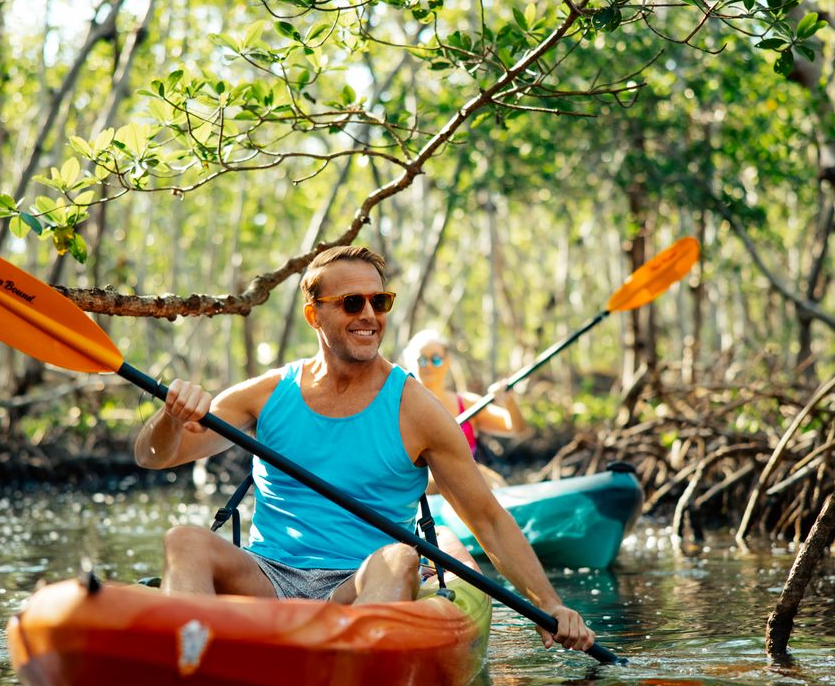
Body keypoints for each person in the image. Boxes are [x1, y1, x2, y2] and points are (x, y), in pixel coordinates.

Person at [134, 245, 593, 652]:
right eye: (352, 303)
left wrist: (551, 604)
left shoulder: (417, 410)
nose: (369, 315)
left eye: (380, 301)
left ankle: (350, 669)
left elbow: (489, 520)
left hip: (359, 583)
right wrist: (169, 418)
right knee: (186, 540)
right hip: (266, 576)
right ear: (314, 315)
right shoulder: (269, 393)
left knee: (400, 557)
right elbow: (153, 456)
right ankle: (190, 663)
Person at [403, 329, 529, 489]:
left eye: (435, 359)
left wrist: (509, 401)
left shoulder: (467, 403)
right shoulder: (399, 408)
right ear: (410, 362)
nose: (428, 365)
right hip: (425, 494)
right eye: (421, 360)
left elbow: (518, 428)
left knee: (491, 481)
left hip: (468, 490)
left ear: (447, 361)